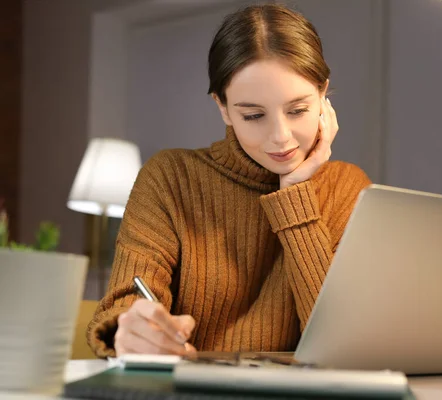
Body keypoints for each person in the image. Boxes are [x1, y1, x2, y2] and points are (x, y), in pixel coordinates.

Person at [87, 3, 372, 358]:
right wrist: (129, 331)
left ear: (323, 94)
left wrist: (295, 194)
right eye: (253, 115)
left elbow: (342, 345)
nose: (281, 137)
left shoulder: (348, 188)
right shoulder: (170, 179)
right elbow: (124, 304)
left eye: (298, 110)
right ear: (222, 106)